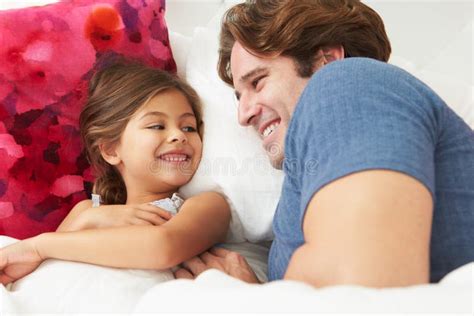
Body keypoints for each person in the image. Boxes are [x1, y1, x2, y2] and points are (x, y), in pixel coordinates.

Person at [174, 0, 474, 287]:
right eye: (239, 97)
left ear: (326, 60)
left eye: (258, 82)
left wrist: (246, 302)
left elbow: (367, 288)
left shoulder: (346, 82)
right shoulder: (307, 182)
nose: (243, 115)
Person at [0, 61, 231, 285]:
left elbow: (163, 247)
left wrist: (38, 245)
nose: (179, 135)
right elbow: (52, 273)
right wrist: (89, 219)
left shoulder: (207, 206)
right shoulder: (86, 211)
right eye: (157, 126)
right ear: (111, 150)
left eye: (188, 127)